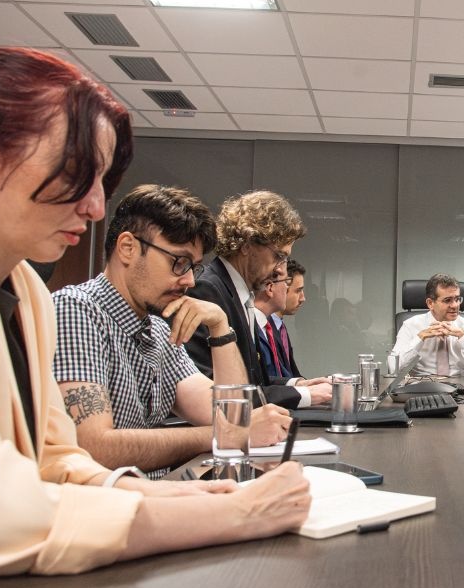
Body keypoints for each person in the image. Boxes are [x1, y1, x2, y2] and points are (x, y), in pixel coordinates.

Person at [0, 43, 310, 588]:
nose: (95, 206)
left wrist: (175, 496)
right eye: (76, 175)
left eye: (100, 182)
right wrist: (235, 514)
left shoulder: (26, 289)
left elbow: (58, 459)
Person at [51, 185, 293, 478]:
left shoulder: (156, 329)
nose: (189, 280)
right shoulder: (77, 309)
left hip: (160, 493)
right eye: (179, 262)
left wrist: (220, 326)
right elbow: (94, 447)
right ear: (127, 248)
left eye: (194, 267)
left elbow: (228, 417)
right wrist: (225, 435)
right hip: (109, 501)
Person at [184, 190, 331, 409]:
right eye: (278, 256)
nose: (280, 269)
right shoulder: (207, 290)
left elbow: (254, 380)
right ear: (247, 244)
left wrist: (298, 385)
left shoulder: (239, 293)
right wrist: (306, 395)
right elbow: (218, 390)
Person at [392, 273, 464, 376]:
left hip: (460, 384)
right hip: (421, 383)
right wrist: (419, 338)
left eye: (457, 299)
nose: (455, 305)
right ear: (430, 303)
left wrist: (463, 338)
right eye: (447, 300)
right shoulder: (410, 325)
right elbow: (393, 368)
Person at [252, 271, 294, 380]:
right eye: (286, 282)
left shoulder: (268, 326)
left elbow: (277, 375)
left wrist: (300, 383)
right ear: (270, 288)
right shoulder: (249, 326)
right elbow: (258, 380)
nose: (287, 288)